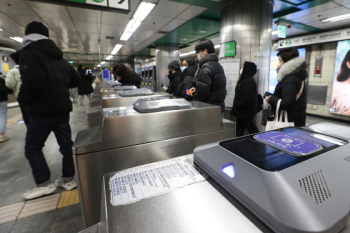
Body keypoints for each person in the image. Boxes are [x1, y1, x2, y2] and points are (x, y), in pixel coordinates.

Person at [16, 21, 81, 199]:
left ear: (27, 36)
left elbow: (35, 81)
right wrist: (59, 84)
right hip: (61, 108)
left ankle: (43, 184)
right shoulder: (59, 57)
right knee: (66, 145)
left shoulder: (29, 53)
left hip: (41, 110)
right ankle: (68, 180)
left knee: (32, 148)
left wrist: (23, 99)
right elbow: (75, 79)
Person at [264, 48, 307, 127]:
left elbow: (287, 103)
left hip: (289, 121)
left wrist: (269, 98)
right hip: (297, 119)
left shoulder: (290, 79)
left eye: (280, 60)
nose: (278, 64)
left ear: (287, 62)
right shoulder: (298, 77)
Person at [190, 39, 227, 112]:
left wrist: (195, 101)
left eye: (198, 52)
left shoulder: (206, 67)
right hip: (217, 107)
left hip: (208, 108)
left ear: (205, 51)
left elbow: (202, 92)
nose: (198, 55)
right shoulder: (218, 65)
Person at [231, 62, 260, 136]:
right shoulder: (245, 80)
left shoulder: (248, 81)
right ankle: (236, 144)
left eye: (243, 67)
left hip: (245, 113)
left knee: (253, 131)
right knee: (239, 132)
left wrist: (237, 105)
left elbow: (246, 99)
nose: (241, 69)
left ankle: (262, 144)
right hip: (242, 113)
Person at [6, 54, 30, 125]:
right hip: (33, 93)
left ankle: (30, 128)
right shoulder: (30, 69)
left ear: (15, 62)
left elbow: (10, 84)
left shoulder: (12, 71)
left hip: (21, 95)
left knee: (25, 113)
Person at [331, 50, 350, 115]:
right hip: (342, 122)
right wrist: (342, 113)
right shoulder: (336, 86)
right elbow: (325, 110)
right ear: (348, 64)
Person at [0, 76, 13, 142]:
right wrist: (10, 91)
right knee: (2, 116)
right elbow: (2, 89)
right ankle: (1, 135)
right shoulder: (1, 80)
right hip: (1, 100)